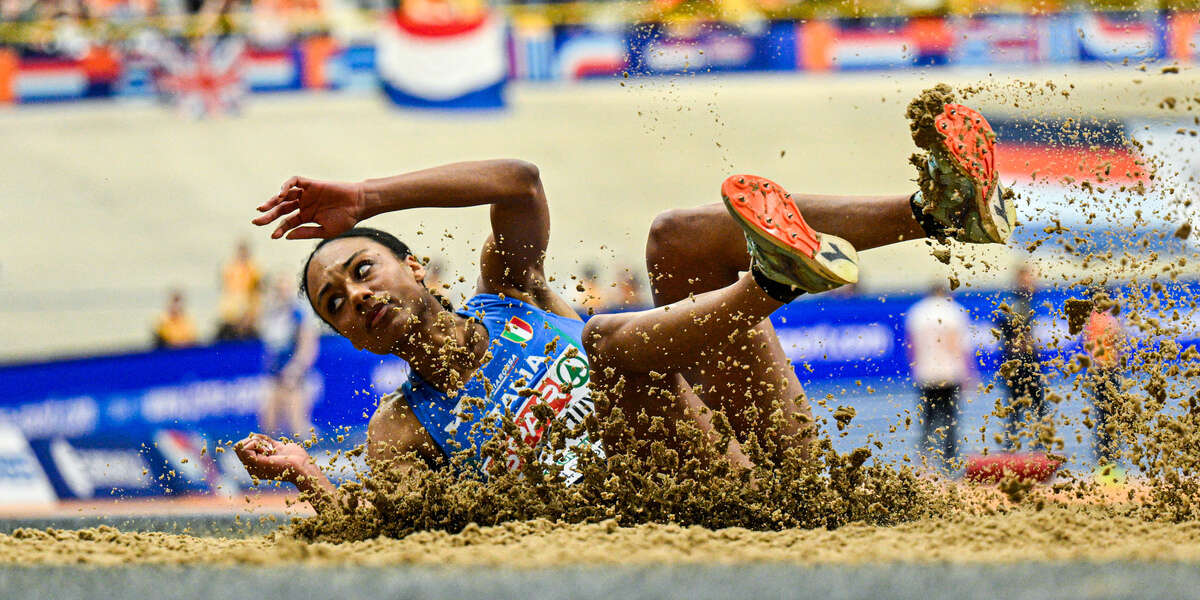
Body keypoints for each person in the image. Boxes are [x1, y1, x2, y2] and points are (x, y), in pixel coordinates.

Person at [234, 96, 1018, 514]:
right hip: (693, 510)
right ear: (350, 339)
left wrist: (368, 194)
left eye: (365, 270)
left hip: (768, 465)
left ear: (413, 266)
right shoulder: (403, 429)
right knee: (606, 344)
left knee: (677, 237)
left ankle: (937, 212)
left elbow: (520, 180)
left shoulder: (510, 292)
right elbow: (379, 531)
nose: (358, 296)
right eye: (336, 303)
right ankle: (771, 283)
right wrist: (308, 474)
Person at [904, 283, 972, 471]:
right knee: (951, 419)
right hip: (949, 372)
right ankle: (948, 462)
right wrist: (968, 373)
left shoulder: (917, 311)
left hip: (926, 372)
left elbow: (911, 346)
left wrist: (916, 369)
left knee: (928, 418)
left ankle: (924, 461)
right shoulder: (954, 311)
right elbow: (959, 344)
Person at [258, 275, 321, 438]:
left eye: (285, 289)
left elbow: (308, 345)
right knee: (268, 421)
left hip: (294, 373)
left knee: (296, 423)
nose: (281, 293)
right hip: (275, 373)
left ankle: (309, 452)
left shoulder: (299, 313)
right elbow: (270, 348)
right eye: (279, 289)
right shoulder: (272, 313)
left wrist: (296, 368)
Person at [996, 263, 1047, 451]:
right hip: (1018, 364)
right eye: (1027, 278)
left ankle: (1037, 448)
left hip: (1029, 362)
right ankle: (1011, 450)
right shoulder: (1016, 303)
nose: (1032, 281)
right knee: (1016, 408)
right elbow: (1006, 329)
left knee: (1038, 407)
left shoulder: (1028, 301)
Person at [1082, 289, 1124, 467]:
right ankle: (1108, 458)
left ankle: (1107, 457)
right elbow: (1115, 340)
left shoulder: (1093, 317)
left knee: (1106, 415)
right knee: (1108, 415)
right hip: (1105, 369)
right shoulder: (1101, 318)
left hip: (1102, 368)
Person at [216, 239, 263, 341]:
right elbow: (226, 290)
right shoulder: (230, 268)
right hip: (231, 313)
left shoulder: (253, 269)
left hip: (247, 314)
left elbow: (257, 291)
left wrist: (253, 312)